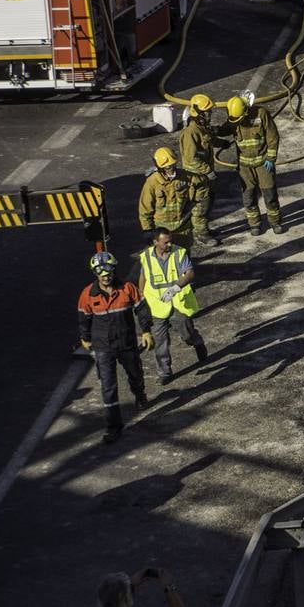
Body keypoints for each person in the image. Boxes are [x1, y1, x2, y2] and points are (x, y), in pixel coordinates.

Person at [78, 252, 154, 443]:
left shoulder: (128, 288)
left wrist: (146, 331)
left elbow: (142, 309)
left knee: (135, 373)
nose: (106, 276)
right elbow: (84, 318)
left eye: (109, 272)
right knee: (108, 387)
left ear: (113, 270)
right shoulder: (87, 295)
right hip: (103, 347)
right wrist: (85, 338)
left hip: (127, 343)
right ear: (96, 274)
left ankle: (140, 393)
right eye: (102, 274)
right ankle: (114, 427)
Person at [137, 226, 208, 385]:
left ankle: (197, 342)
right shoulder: (146, 257)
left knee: (187, 334)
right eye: (165, 242)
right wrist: (140, 295)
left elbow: (189, 273)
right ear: (156, 242)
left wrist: (175, 288)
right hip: (157, 306)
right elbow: (143, 276)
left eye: (170, 241)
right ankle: (164, 372)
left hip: (177, 304)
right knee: (160, 341)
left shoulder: (179, 253)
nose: (169, 245)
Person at [225, 94, 285, 236]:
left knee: (270, 194)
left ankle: (275, 222)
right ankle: (255, 224)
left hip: (263, 164)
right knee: (248, 197)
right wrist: (213, 132)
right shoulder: (235, 116)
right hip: (245, 167)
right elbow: (226, 128)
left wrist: (271, 157)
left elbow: (272, 136)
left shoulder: (261, 114)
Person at [177, 93, 221, 246]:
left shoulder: (202, 127)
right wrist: (207, 170)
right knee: (200, 207)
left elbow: (209, 141)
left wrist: (222, 143)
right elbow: (190, 159)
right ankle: (201, 235)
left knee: (208, 202)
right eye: (207, 112)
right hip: (196, 178)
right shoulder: (191, 132)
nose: (210, 114)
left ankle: (204, 229)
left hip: (205, 177)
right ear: (198, 113)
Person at [138, 147, 196, 251]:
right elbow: (145, 209)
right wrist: (147, 230)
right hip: (162, 232)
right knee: (165, 261)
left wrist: (195, 208)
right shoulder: (152, 182)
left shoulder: (184, 176)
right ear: (160, 168)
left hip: (182, 229)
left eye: (173, 165)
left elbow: (201, 184)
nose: (172, 169)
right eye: (168, 167)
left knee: (184, 259)